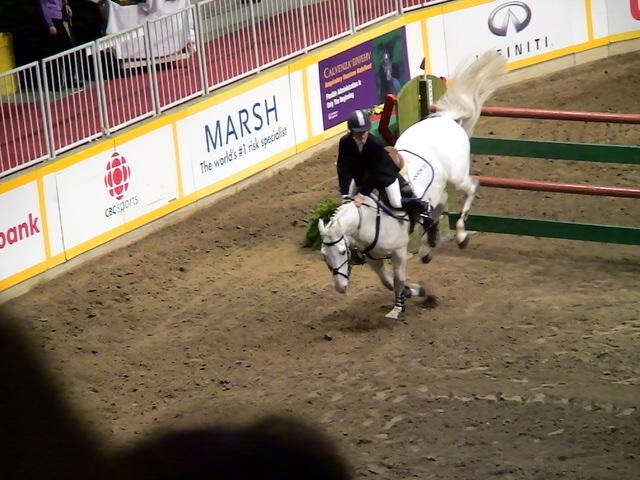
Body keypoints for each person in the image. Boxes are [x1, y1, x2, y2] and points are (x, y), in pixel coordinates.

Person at [336, 109, 431, 228]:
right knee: (347, 203)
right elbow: (342, 167)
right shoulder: (345, 142)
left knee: (396, 202)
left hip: (384, 175)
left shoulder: (374, 144)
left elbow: (374, 173)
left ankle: (423, 206)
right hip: (361, 176)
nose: (363, 136)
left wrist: (362, 195)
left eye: (365, 132)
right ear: (352, 132)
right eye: (359, 133)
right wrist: (345, 193)